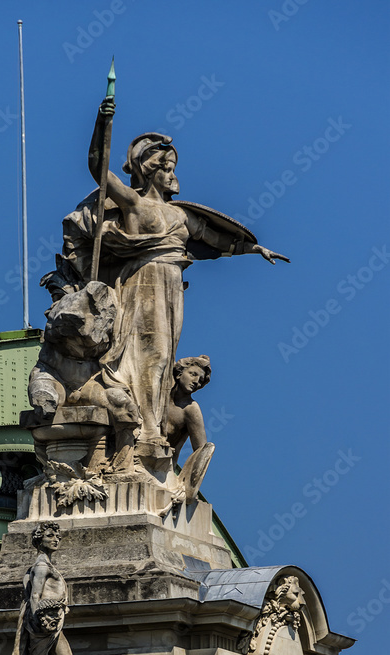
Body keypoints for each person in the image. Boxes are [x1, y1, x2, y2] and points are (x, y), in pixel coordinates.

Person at [81, 97, 289, 457]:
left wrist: (255, 249)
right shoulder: (134, 204)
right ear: (150, 172)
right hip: (140, 283)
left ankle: (150, 425)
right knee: (144, 355)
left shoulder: (182, 217)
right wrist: (103, 121)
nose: (174, 174)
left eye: (174, 167)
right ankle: (142, 430)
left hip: (172, 287)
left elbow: (218, 240)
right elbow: (98, 166)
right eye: (167, 168)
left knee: (162, 358)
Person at [2, 522, 81, 655]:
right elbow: (35, 597)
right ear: (39, 540)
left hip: (54, 624)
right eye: (50, 536)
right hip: (42, 625)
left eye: (57, 537)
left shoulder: (48, 564)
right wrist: (39, 623)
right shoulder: (42, 566)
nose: (56, 540)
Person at [167, 355, 211, 464]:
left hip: (163, 470)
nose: (196, 381)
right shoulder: (160, 396)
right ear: (180, 373)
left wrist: (186, 479)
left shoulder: (191, 409)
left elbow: (202, 452)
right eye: (193, 374)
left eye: (201, 380)